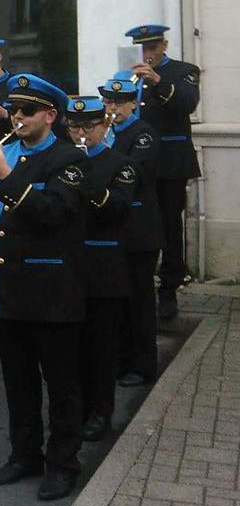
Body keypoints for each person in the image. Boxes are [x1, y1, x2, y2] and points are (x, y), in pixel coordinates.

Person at [0, 74, 88, 501]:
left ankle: (63, 464)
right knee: (17, 381)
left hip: (51, 288)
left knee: (61, 384)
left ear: (50, 115)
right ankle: (24, 454)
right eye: (15, 110)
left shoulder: (69, 159)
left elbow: (54, 213)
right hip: (6, 287)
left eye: (27, 111)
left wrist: (5, 176)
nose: (17, 117)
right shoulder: (7, 152)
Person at [67, 96, 136, 442]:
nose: (81, 133)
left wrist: (84, 179)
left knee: (102, 348)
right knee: (72, 347)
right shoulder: (63, 162)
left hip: (104, 268)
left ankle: (101, 413)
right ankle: (75, 410)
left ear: (103, 126)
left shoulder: (119, 164)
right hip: (70, 268)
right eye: (75, 126)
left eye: (88, 126)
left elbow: (118, 210)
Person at [125, 24, 200, 320]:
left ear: (164, 45)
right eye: (142, 48)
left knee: (170, 226)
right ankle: (139, 284)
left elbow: (187, 103)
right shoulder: (128, 76)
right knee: (139, 221)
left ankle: (169, 287)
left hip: (170, 162)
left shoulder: (183, 70)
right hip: (137, 162)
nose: (148, 53)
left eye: (153, 47)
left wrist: (156, 80)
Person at [100, 75, 163, 388]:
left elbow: (133, 173)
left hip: (139, 231)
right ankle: (121, 360)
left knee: (139, 302)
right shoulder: (107, 134)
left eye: (120, 103)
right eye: (109, 102)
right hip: (116, 230)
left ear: (133, 103)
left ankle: (143, 365)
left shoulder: (144, 134)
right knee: (119, 301)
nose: (113, 108)